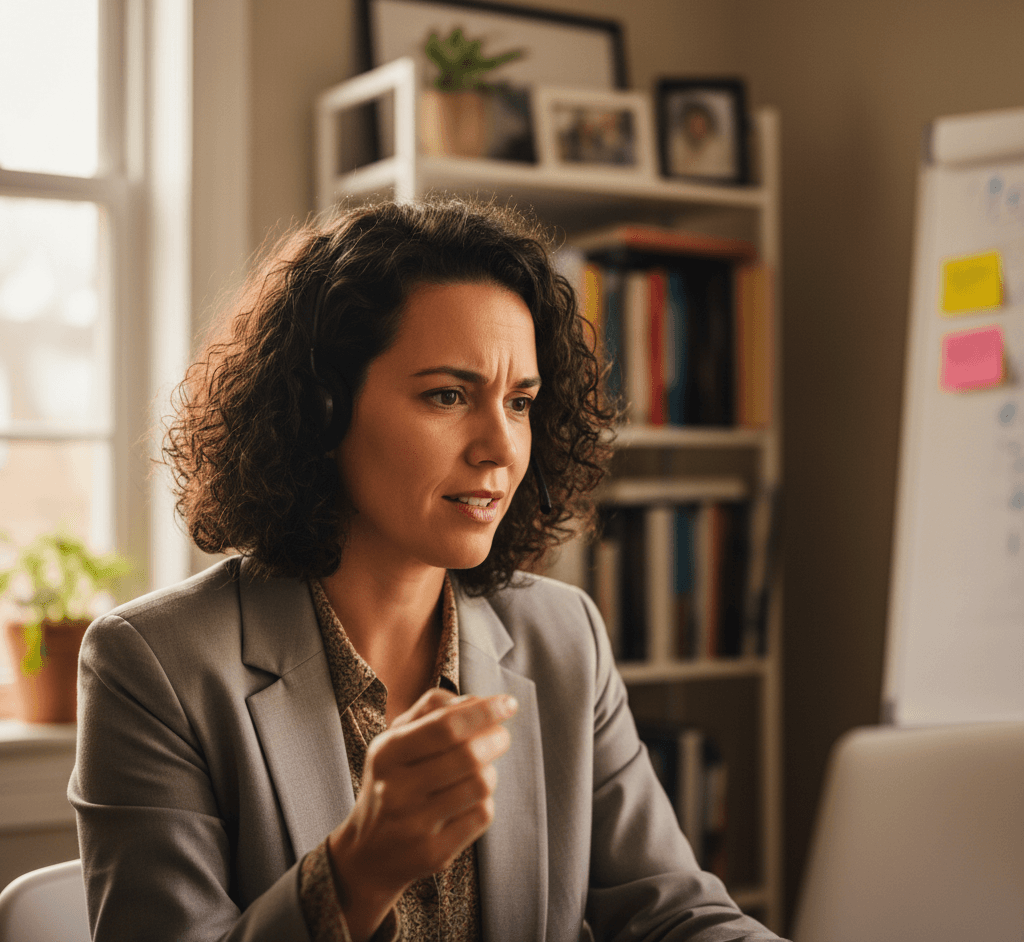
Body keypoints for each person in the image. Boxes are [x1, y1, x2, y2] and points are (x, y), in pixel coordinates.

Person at [69, 198, 784, 941]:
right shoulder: (152, 667)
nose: (501, 449)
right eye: (448, 396)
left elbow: (675, 913)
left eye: (520, 402)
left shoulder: (563, 634)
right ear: (321, 408)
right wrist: (357, 871)